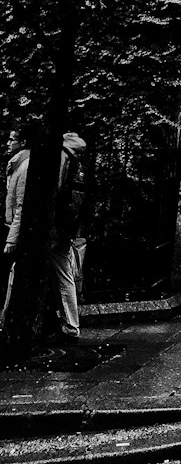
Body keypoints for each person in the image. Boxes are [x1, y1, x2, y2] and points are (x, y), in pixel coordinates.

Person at [49, 131, 88, 343]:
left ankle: (71, 325)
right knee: (64, 272)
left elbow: (54, 190)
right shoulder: (78, 161)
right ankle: (68, 322)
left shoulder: (63, 158)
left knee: (63, 274)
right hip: (69, 226)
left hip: (58, 227)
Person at [2, 128, 28, 329]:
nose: (8, 143)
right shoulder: (16, 165)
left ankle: (8, 319)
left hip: (16, 229)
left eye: (12, 139)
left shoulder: (25, 166)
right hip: (12, 226)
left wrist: (12, 238)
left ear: (23, 142)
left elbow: (21, 205)